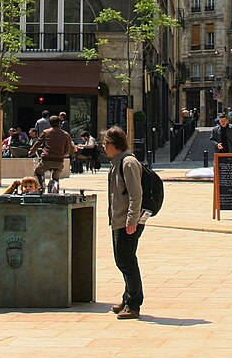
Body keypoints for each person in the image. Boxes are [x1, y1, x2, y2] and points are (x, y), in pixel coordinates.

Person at [102, 125, 145, 320]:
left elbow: (136, 194)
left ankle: (134, 304)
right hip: (119, 219)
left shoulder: (128, 163)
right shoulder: (118, 162)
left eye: (106, 144)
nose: (104, 148)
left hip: (127, 220)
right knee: (123, 261)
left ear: (114, 144)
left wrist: (131, 220)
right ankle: (128, 298)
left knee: (127, 262)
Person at [31, 117, 74, 191]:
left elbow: (37, 144)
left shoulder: (46, 132)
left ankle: (40, 187)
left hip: (46, 160)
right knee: (56, 176)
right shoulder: (66, 134)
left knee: (37, 171)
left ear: (49, 123)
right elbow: (68, 150)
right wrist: (63, 154)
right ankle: (55, 185)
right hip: (59, 161)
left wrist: (31, 151)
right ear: (59, 123)